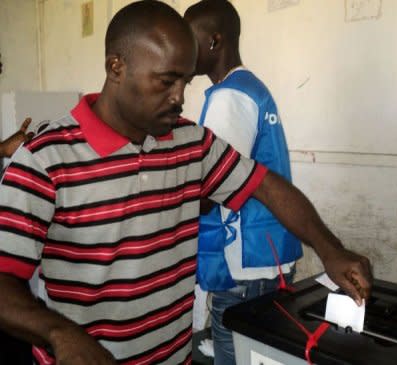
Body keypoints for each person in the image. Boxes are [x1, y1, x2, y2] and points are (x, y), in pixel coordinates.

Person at [0, 1, 372, 364]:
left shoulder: (191, 142)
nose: (179, 97)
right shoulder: (45, 158)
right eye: (166, 81)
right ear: (117, 67)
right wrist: (59, 334)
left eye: (185, 81)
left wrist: (330, 249)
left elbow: (265, 184)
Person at [184, 2, 302, 363]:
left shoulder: (229, 97)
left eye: (189, 40)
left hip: (244, 262)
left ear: (215, 41)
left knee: (233, 353)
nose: (181, 49)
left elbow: (211, 187)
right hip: (266, 253)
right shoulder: (251, 88)